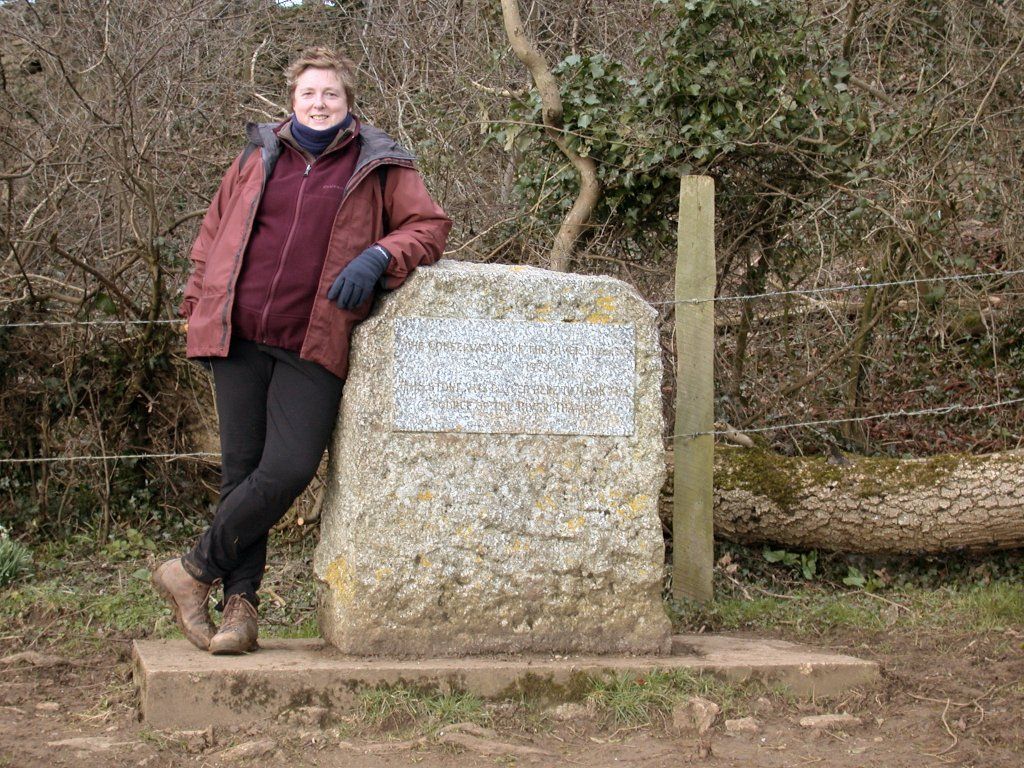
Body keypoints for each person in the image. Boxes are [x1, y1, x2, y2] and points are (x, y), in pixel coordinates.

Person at [152, 47, 451, 654]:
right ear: (293, 99)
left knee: (288, 467)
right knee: (242, 473)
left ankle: (190, 570)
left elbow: (428, 228)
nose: (319, 104)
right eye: (309, 94)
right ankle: (240, 610)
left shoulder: (380, 162)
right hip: (236, 334)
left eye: (331, 95)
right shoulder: (258, 153)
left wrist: (377, 256)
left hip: (313, 339)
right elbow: (212, 236)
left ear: (348, 102)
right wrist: (196, 306)